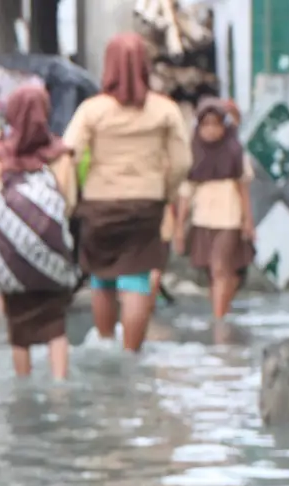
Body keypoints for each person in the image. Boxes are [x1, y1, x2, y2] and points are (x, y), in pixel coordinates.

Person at [61, 33, 189, 353]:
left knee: (102, 278)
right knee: (137, 279)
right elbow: (182, 162)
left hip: (99, 204)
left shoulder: (92, 110)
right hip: (146, 203)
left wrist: (73, 197)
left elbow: (69, 153)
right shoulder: (165, 110)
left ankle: (105, 343)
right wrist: (165, 193)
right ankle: (133, 353)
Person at [0, 82, 78, 379]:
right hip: (53, 254)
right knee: (55, 322)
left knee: (19, 324)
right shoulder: (60, 155)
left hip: (13, 257)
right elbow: (69, 203)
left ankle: (23, 381)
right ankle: (60, 384)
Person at [172, 98, 255, 322]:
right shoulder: (192, 153)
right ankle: (222, 311)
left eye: (215, 123)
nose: (210, 130)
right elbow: (185, 193)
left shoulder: (235, 151)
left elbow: (243, 188)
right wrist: (179, 228)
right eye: (205, 124)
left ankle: (218, 319)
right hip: (202, 218)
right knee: (213, 272)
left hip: (229, 217)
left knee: (220, 268)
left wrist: (248, 221)